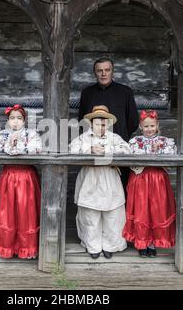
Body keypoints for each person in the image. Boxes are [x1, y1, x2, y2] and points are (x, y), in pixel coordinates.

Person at [69, 105, 131, 259]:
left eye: (104, 124)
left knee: (112, 213)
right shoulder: (84, 138)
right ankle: (93, 246)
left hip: (109, 176)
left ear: (108, 124)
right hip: (90, 177)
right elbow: (71, 149)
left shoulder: (114, 138)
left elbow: (126, 149)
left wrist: (107, 150)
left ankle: (111, 245)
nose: (101, 126)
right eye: (98, 123)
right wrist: (90, 149)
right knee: (90, 214)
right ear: (91, 123)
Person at [0, 104, 42, 259]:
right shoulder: (2, 135)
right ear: (8, 120)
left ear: (24, 120)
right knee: (8, 212)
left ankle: (26, 247)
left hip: (26, 176)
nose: (15, 122)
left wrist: (18, 144)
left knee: (26, 211)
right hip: (9, 175)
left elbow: (36, 149)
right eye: (12, 118)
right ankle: (8, 247)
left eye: (19, 118)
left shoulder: (31, 135)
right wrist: (9, 143)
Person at [122, 110, 177, 258]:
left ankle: (153, 243)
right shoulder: (134, 142)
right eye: (146, 126)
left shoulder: (165, 142)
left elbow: (171, 160)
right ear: (141, 126)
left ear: (157, 125)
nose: (149, 129)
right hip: (140, 179)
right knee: (142, 210)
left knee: (156, 211)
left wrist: (158, 151)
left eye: (152, 125)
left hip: (158, 179)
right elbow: (130, 160)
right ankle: (142, 243)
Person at [78, 57, 139, 186]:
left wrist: (119, 134)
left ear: (113, 71)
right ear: (95, 73)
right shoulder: (87, 93)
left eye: (107, 70)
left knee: (120, 186)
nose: (103, 73)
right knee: (93, 186)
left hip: (118, 148)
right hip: (94, 149)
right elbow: (82, 121)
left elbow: (133, 120)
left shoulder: (125, 92)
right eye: (99, 70)